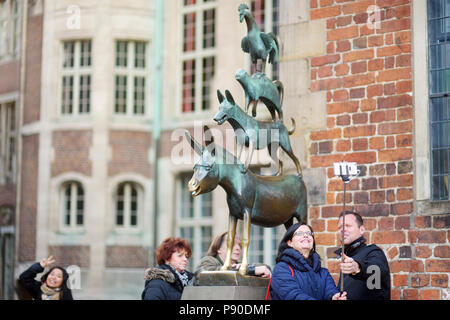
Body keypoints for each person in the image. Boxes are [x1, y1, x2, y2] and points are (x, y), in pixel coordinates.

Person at [270, 223, 346, 300]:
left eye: (309, 233)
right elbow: (293, 296)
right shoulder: (281, 269)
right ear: (290, 242)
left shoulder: (323, 273)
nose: (306, 235)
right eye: (299, 233)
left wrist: (334, 297)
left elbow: (331, 292)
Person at [336, 211, 391, 300]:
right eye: (340, 227)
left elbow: (377, 272)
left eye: (348, 226)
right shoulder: (346, 257)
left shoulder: (373, 251)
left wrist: (357, 268)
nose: (343, 229)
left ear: (361, 229)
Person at [194, 231, 272, 282]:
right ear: (218, 249)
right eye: (232, 244)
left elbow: (266, 268)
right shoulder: (208, 261)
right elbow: (207, 274)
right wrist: (250, 270)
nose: (238, 248)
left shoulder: (238, 265)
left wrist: (251, 269)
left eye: (239, 245)